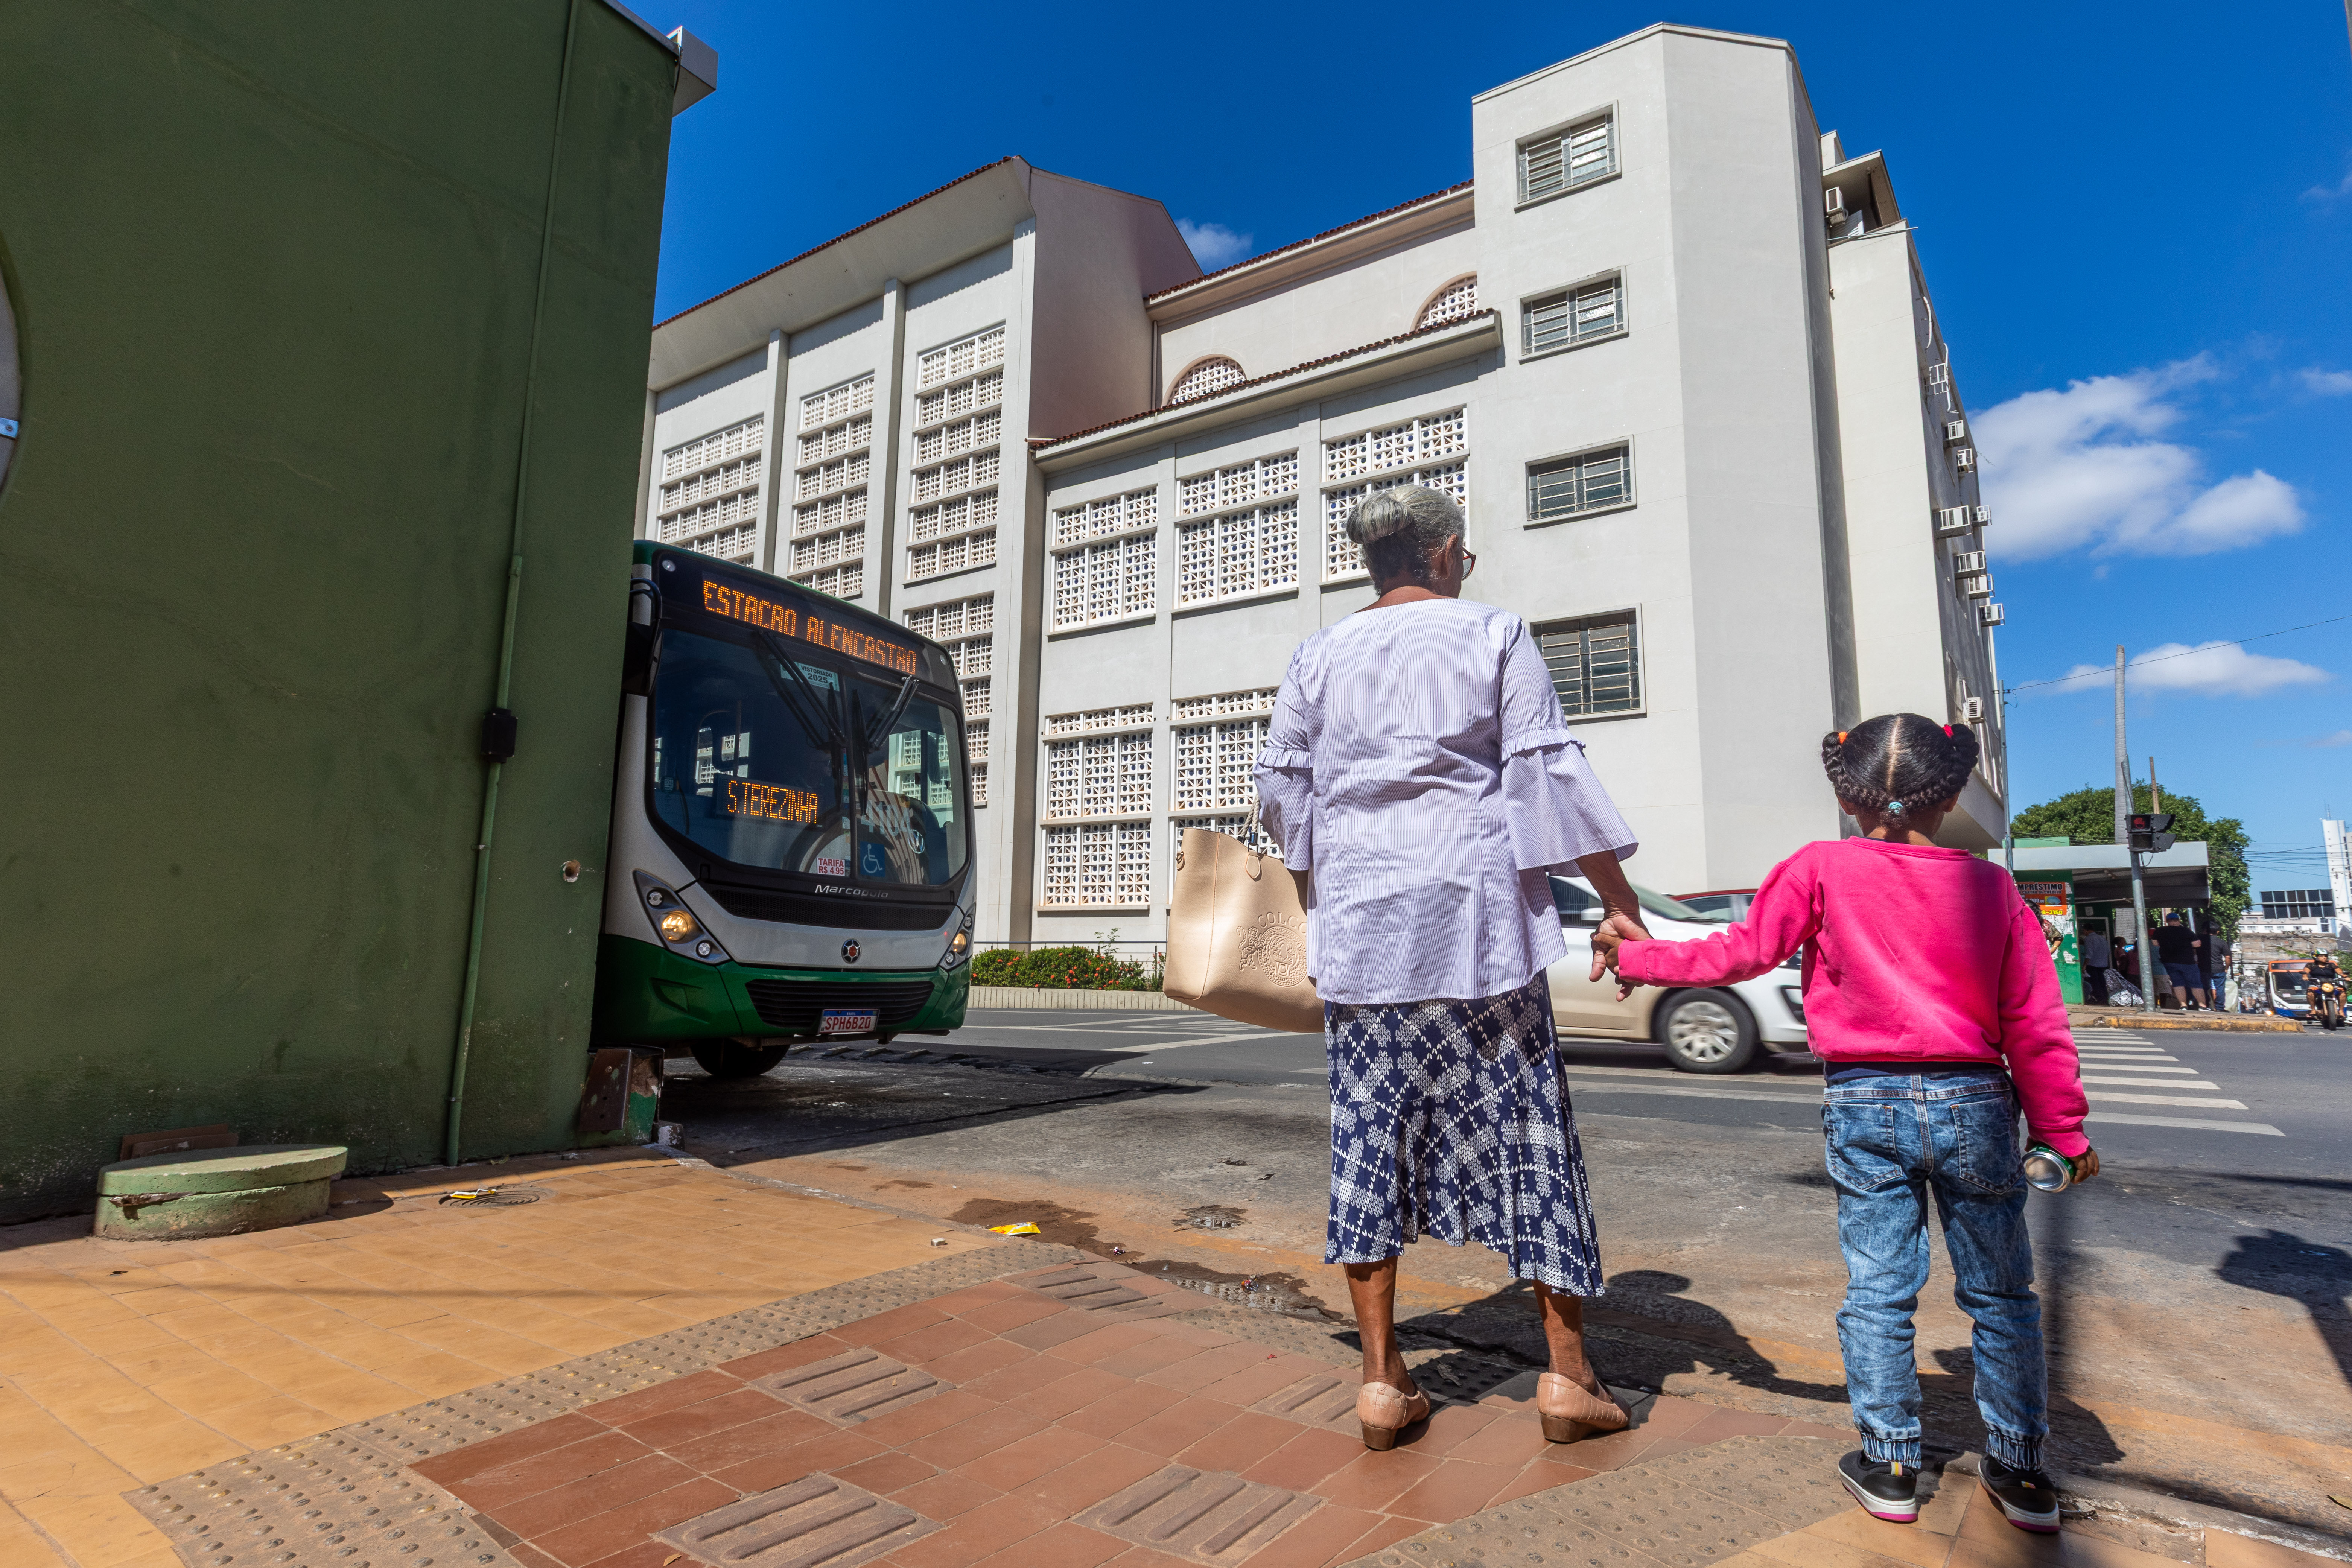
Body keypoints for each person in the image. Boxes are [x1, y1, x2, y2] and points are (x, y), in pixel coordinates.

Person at [1590, 713, 2097, 1534]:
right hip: (1975, 1100)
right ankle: (2021, 1472)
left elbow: (1741, 953)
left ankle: (1890, 1463)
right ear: (1951, 796)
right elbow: (2035, 1021)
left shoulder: (1819, 867)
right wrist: (2062, 1134)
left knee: (1879, 1290)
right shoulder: (1991, 887)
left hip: (1865, 1100)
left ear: (1845, 793)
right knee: (2002, 1294)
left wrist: (1637, 956)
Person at [1255, 485, 1646, 1452]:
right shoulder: (1492, 633)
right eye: (1461, 557)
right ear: (1441, 554)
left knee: (1368, 1143)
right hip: (1480, 934)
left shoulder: (1316, 654)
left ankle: (1382, 1382)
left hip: (1366, 943)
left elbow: (1283, 793)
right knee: (1529, 1135)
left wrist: (1324, 895)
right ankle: (1566, 1376)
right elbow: (1543, 772)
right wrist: (1618, 901)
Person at [2153, 913, 2207, 1010]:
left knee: (2178, 983)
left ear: (2167, 921)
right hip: (2187, 962)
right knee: (2196, 984)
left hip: (2169, 961)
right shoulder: (2186, 931)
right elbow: (2197, 944)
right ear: (2178, 921)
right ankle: (2202, 1006)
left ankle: (2183, 1006)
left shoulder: (2160, 931)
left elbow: (2155, 943)